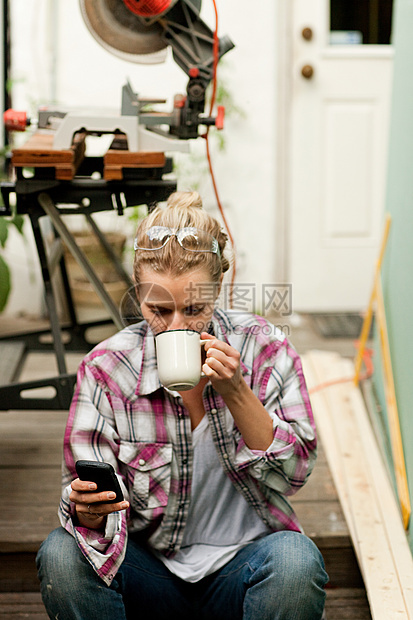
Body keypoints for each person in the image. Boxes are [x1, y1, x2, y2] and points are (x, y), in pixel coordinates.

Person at [36, 191, 328, 619]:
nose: (176, 327)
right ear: (138, 294)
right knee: (61, 555)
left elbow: (295, 475)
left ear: (219, 289)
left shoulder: (265, 346)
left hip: (243, 570)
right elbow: (90, 514)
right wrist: (89, 512)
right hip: (150, 575)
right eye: (158, 310)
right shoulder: (107, 368)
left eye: (194, 309)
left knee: (296, 561)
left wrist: (236, 392)